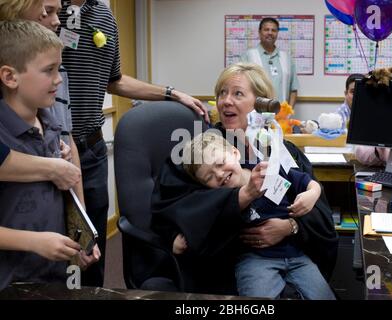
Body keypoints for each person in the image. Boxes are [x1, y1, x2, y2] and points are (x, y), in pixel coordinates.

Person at [152, 62, 338, 295]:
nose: (225, 101)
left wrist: (291, 226)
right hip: (226, 266)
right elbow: (176, 206)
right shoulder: (201, 153)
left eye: (237, 93)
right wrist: (239, 198)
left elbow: (316, 206)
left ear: (260, 104)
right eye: (222, 93)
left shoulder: (282, 150)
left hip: (292, 254)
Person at [58, 0, 209, 287]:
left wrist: (171, 93)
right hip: (55, 149)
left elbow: (115, 81)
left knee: (92, 244)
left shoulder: (103, 15)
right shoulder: (47, 12)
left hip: (92, 149)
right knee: (61, 246)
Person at [172, 131, 335, 299]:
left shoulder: (268, 169)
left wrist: (313, 193)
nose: (219, 174)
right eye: (209, 177)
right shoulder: (220, 201)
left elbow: (307, 181)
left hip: (297, 255)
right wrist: (181, 238)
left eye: (220, 163)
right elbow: (202, 221)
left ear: (235, 153)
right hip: (255, 261)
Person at [0, 20, 97, 290]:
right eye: (49, 70)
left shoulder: (51, 122)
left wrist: (77, 240)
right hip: (11, 282)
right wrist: (35, 242)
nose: (58, 79)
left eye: (59, 68)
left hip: (54, 276)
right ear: (10, 77)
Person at [240, 17, 299, 106]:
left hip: (281, 114)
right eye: (266, 30)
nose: (270, 33)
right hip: (255, 113)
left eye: (274, 30)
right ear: (259, 32)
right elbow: (240, 86)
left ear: (277, 33)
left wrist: (288, 112)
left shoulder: (286, 58)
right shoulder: (248, 56)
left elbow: (293, 89)